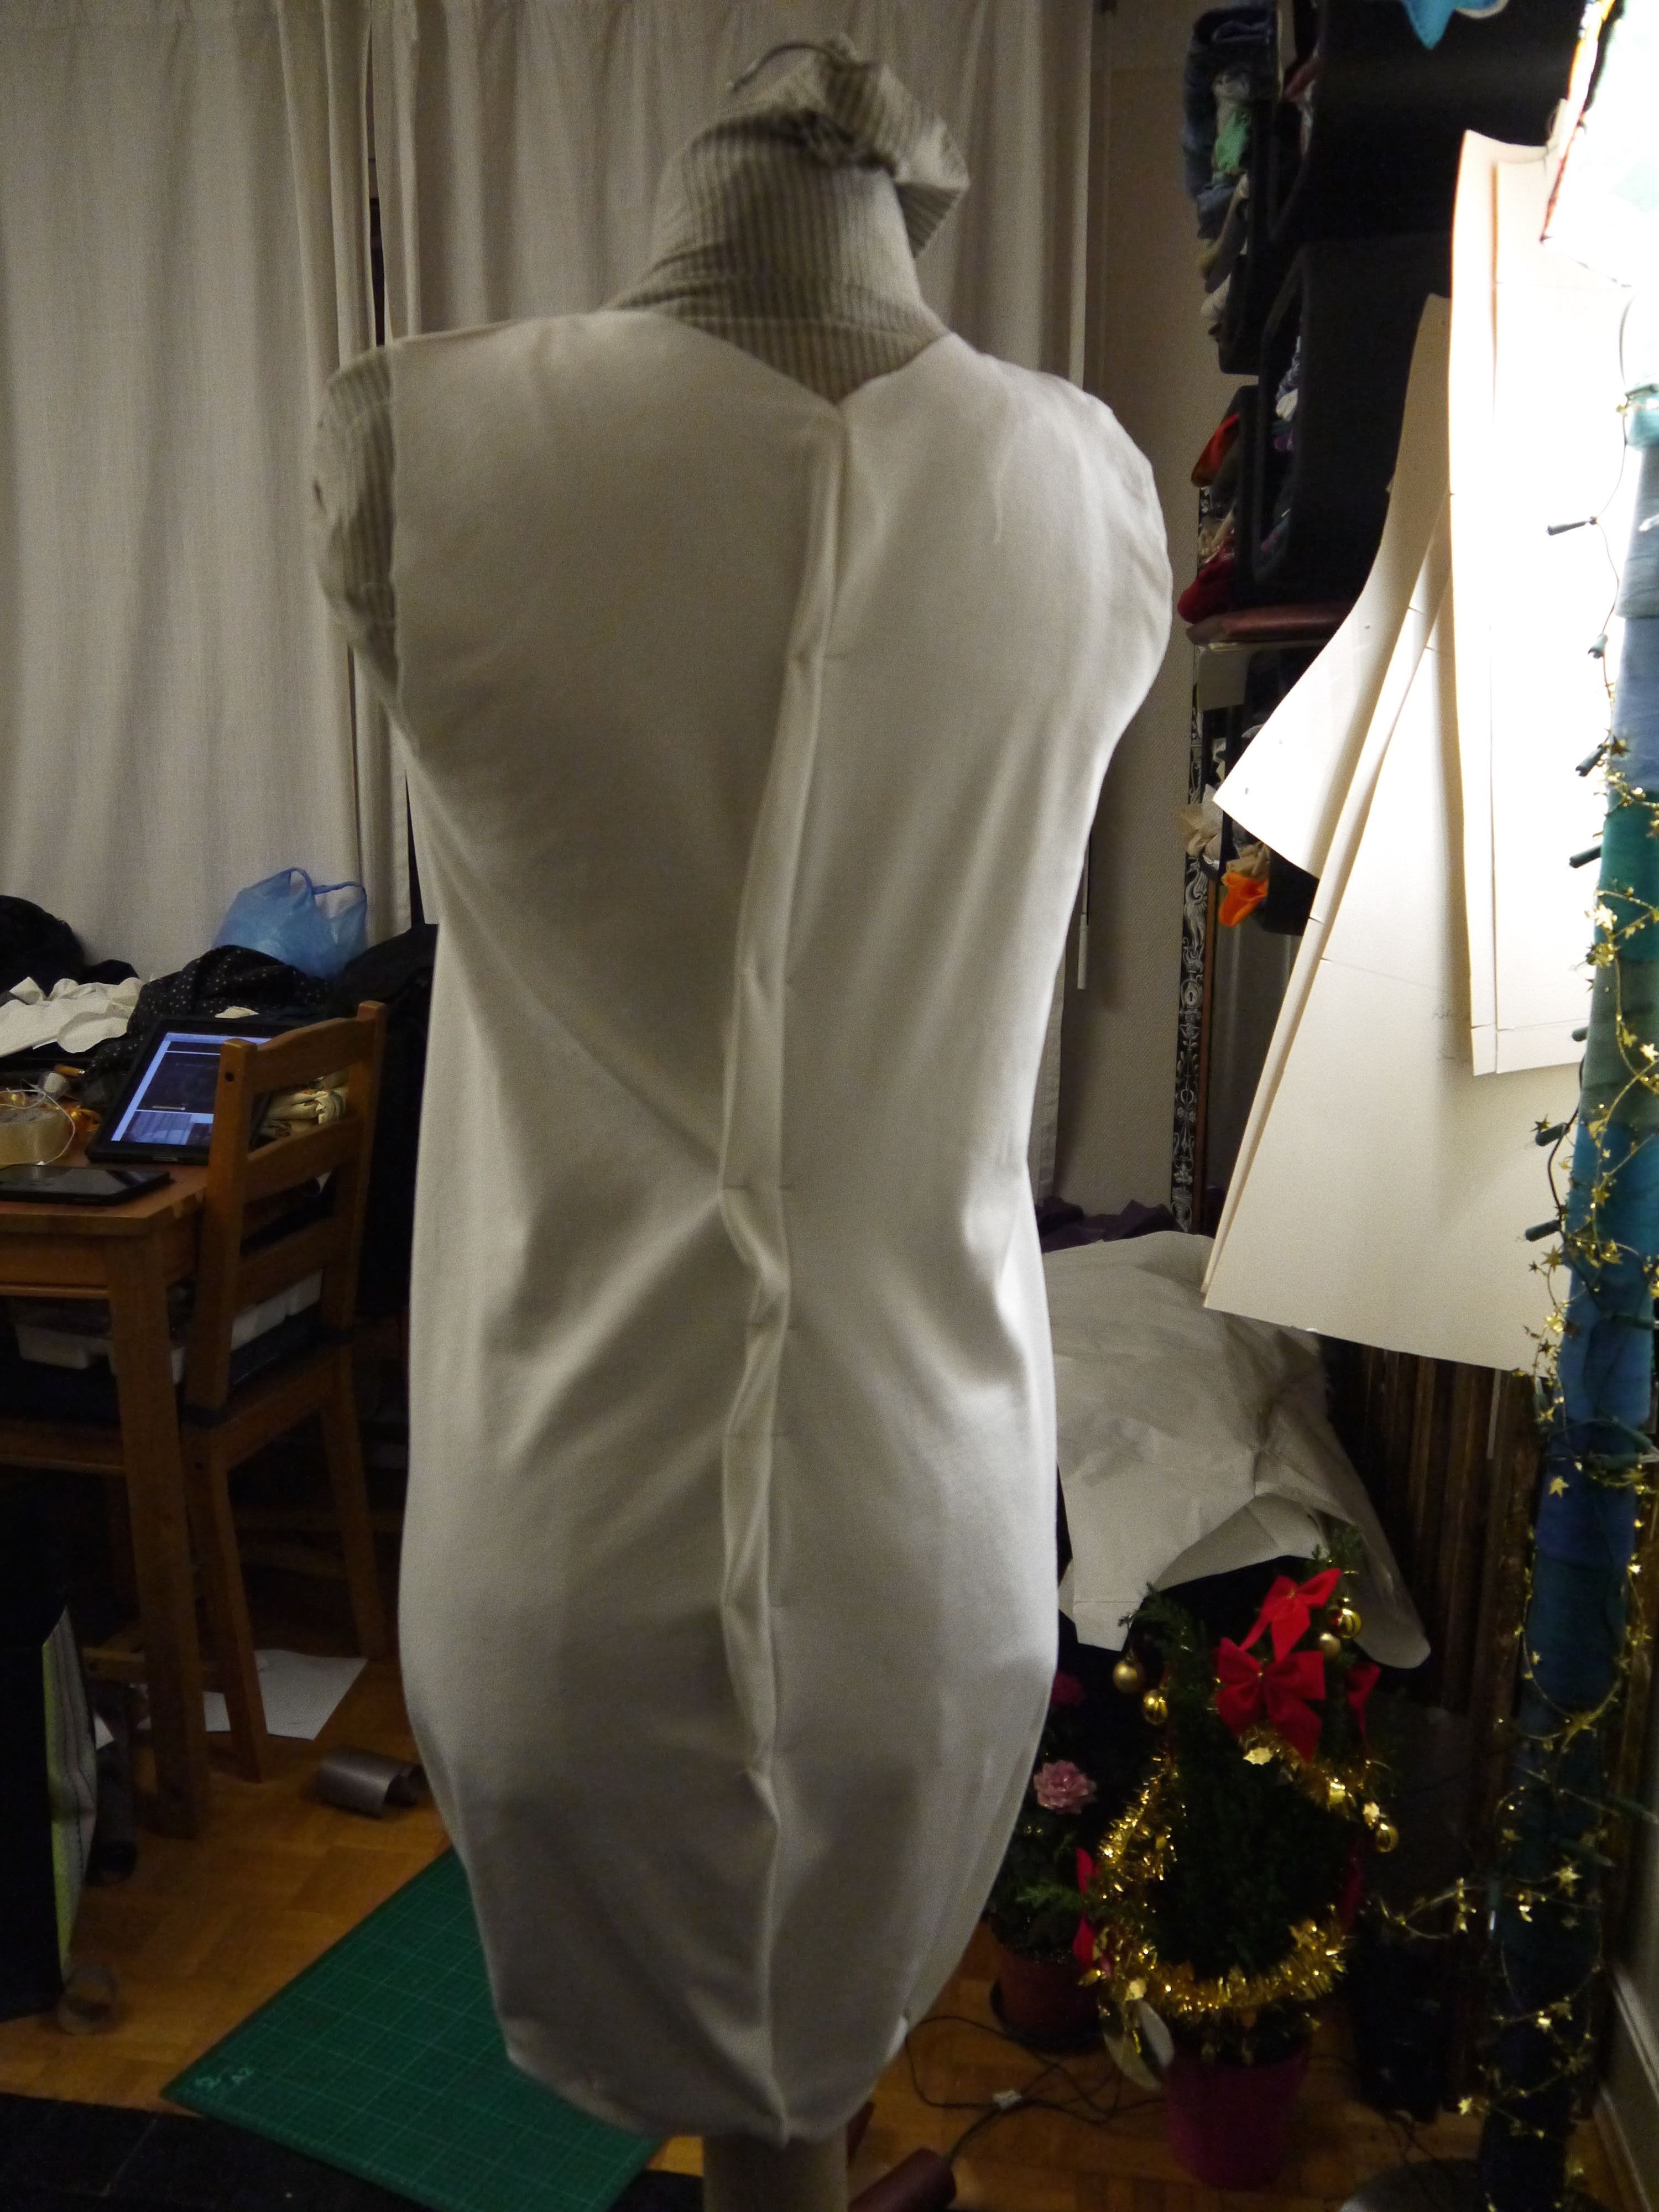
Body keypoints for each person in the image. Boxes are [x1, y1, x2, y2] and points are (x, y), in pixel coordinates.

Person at [314, 41, 1170, 2212]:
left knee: (776, 2084)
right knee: (800, 2077)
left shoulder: (442, 438)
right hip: (925, 1549)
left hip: (567, 1545)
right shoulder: (1083, 486)